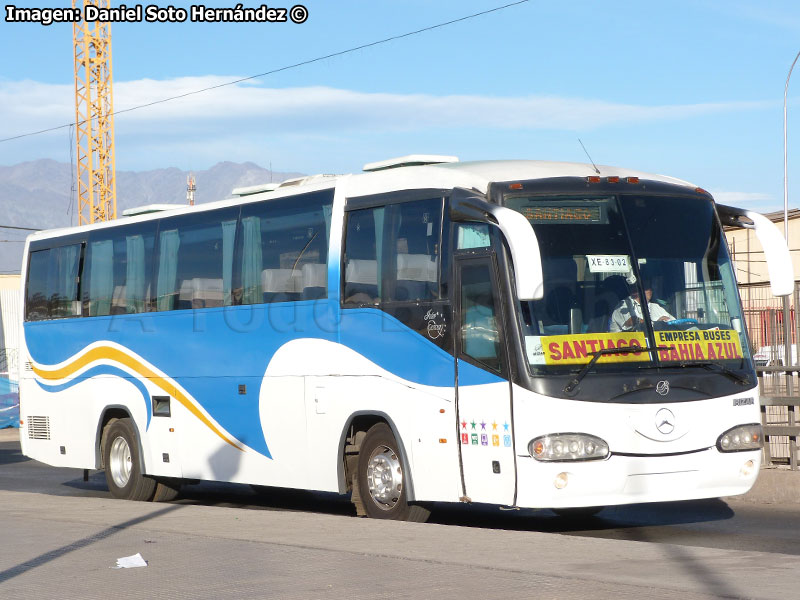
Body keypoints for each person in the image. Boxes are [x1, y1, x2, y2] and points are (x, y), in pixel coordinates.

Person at [609, 279, 674, 332]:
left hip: (654, 345)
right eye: (647, 288)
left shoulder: (655, 306)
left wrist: (667, 322)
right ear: (635, 290)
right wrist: (657, 324)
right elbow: (632, 321)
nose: (651, 290)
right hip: (625, 345)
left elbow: (674, 322)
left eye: (650, 288)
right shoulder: (624, 305)